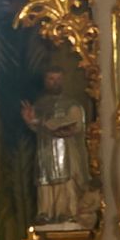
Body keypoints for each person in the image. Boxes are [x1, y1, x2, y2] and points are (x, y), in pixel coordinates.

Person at [20, 68, 93, 228]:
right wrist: (30, 121)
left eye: (58, 79)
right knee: (45, 180)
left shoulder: (72, 105)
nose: (55, 83)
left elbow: (76, 126)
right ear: (45, 81)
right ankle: (46, 213)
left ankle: (67, 212)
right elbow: (37, 127)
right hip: (45, 150)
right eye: (51, 79)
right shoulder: (40, 105)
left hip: (66, 150)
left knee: (66, 180)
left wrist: (57, 126)